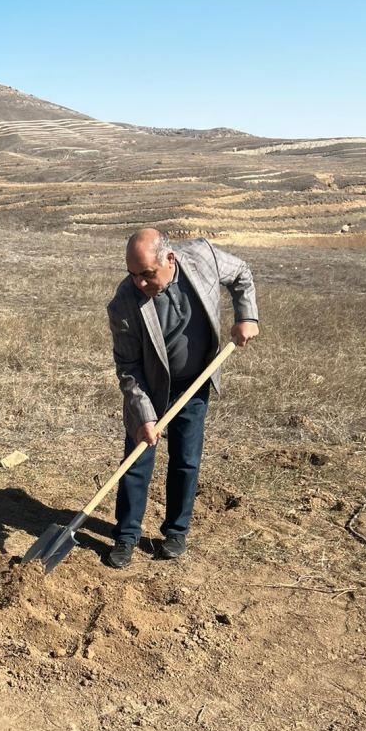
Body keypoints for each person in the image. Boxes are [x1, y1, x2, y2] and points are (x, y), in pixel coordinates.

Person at [105, 227, 259, 568]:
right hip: (149, 388)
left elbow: (241, 274)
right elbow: (128, 366)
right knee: (137, 460)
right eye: (132, 275)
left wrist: (246, 315)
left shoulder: (202, 257)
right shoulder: (124, 303)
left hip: (194, 382)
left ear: (169, 260)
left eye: (147, 275)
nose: (139, 284)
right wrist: (145, 416)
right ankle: (126, 536)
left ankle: (176, 532)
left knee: (186, 458)